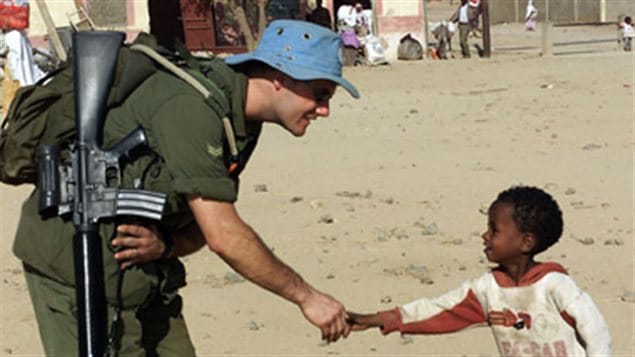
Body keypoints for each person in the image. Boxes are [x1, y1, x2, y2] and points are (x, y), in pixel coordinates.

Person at [13, 19, 359, 356]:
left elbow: (201, 224)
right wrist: (306, 297)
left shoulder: (238, 120)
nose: (324, 110)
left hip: (144, 274)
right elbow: (225, 236)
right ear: (281, 78)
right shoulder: (194, 108)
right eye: (319, 94)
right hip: (79, 267)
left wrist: (166, 246)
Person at [347, 186, 612, 356]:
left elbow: (595, 331)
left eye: (494, 230)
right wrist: (378, 320)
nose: (485, 235)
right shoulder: (488, 289)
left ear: (526, 242)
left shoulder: (556, 286)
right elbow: (439, 310)